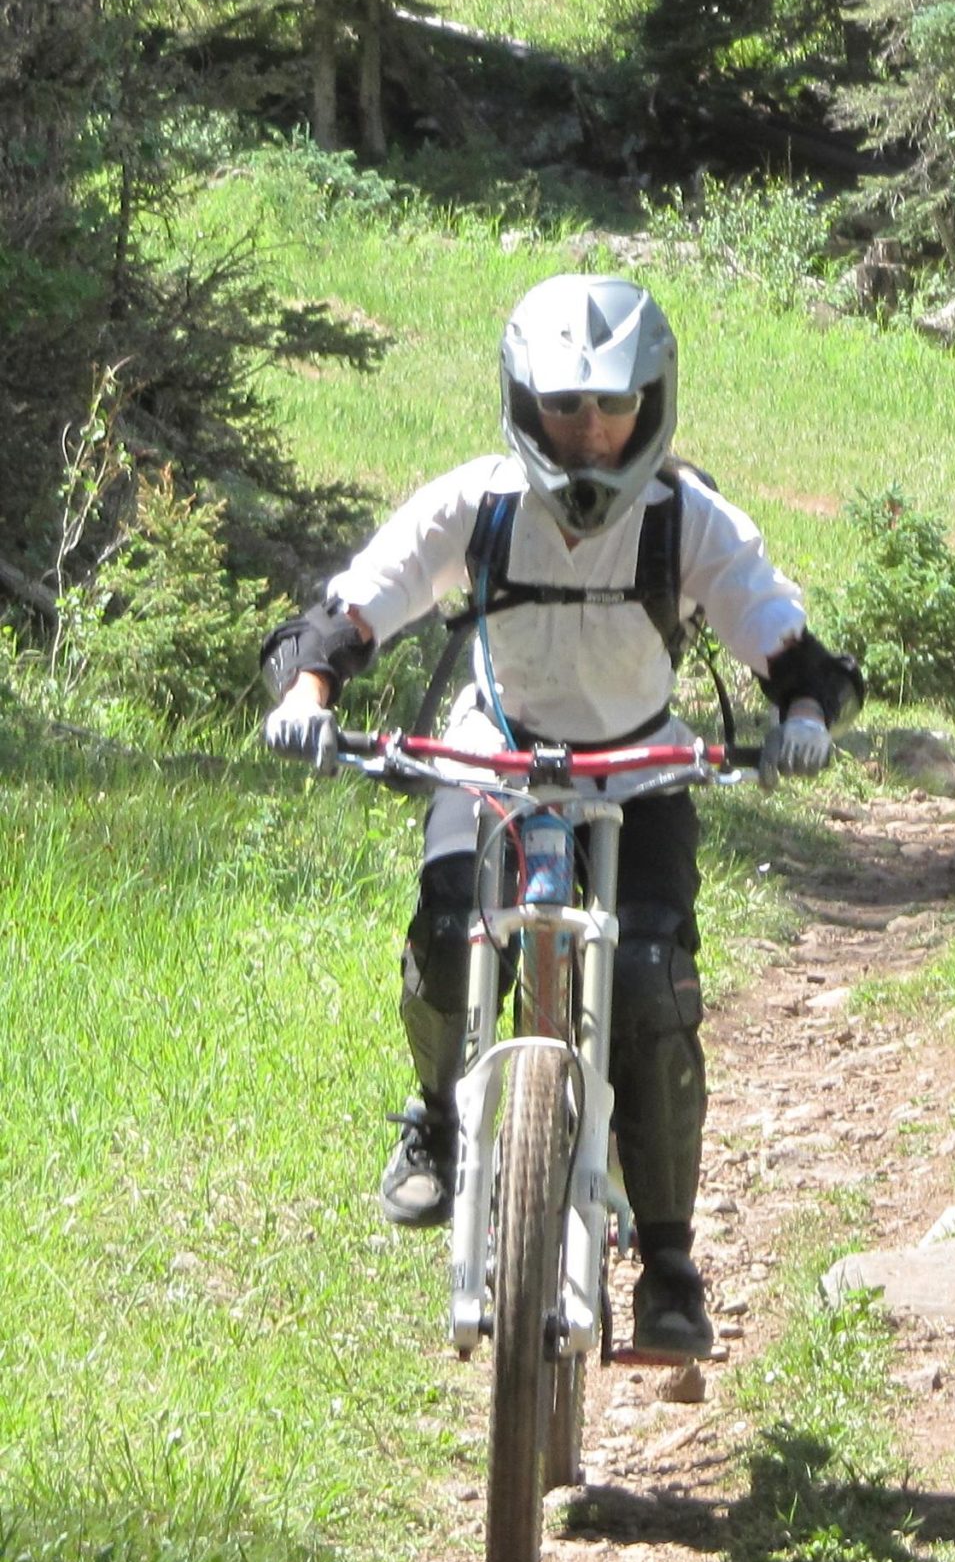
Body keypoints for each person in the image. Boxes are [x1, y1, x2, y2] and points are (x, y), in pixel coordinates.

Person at [260, 273, 862, 1359]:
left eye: (612, 406)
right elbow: (355, 607)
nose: (588, 434)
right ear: (521, 400)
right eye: (564, 407)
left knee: (647, 978)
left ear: (654, 399)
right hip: (490, 749)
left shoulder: (688, 518)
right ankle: (442, 1123)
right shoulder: (478, 502)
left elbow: (785, 642)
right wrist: (311, 694)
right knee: (449, 929)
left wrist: (807, 712)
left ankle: (670, 1262)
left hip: (637, 765)